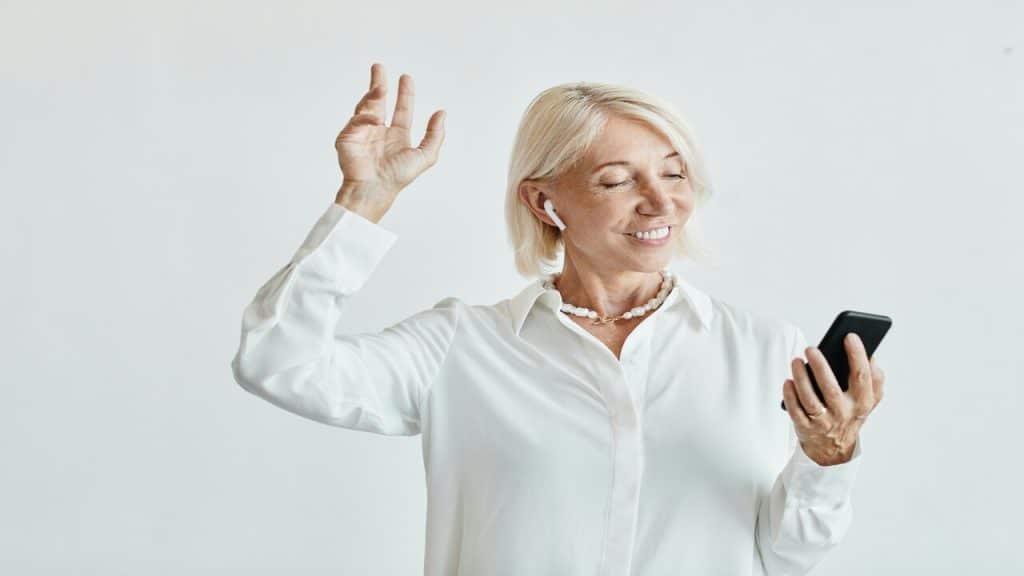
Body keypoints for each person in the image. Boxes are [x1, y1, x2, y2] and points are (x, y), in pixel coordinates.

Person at [230, 62, 885, 576]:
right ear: (545, 202)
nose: (661, 202)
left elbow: (787, 557)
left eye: (674, 173)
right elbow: (277, 365)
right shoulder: (461, 345)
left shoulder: (764, 349)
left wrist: (828, 459)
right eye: (616, 180)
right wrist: (362, 201)